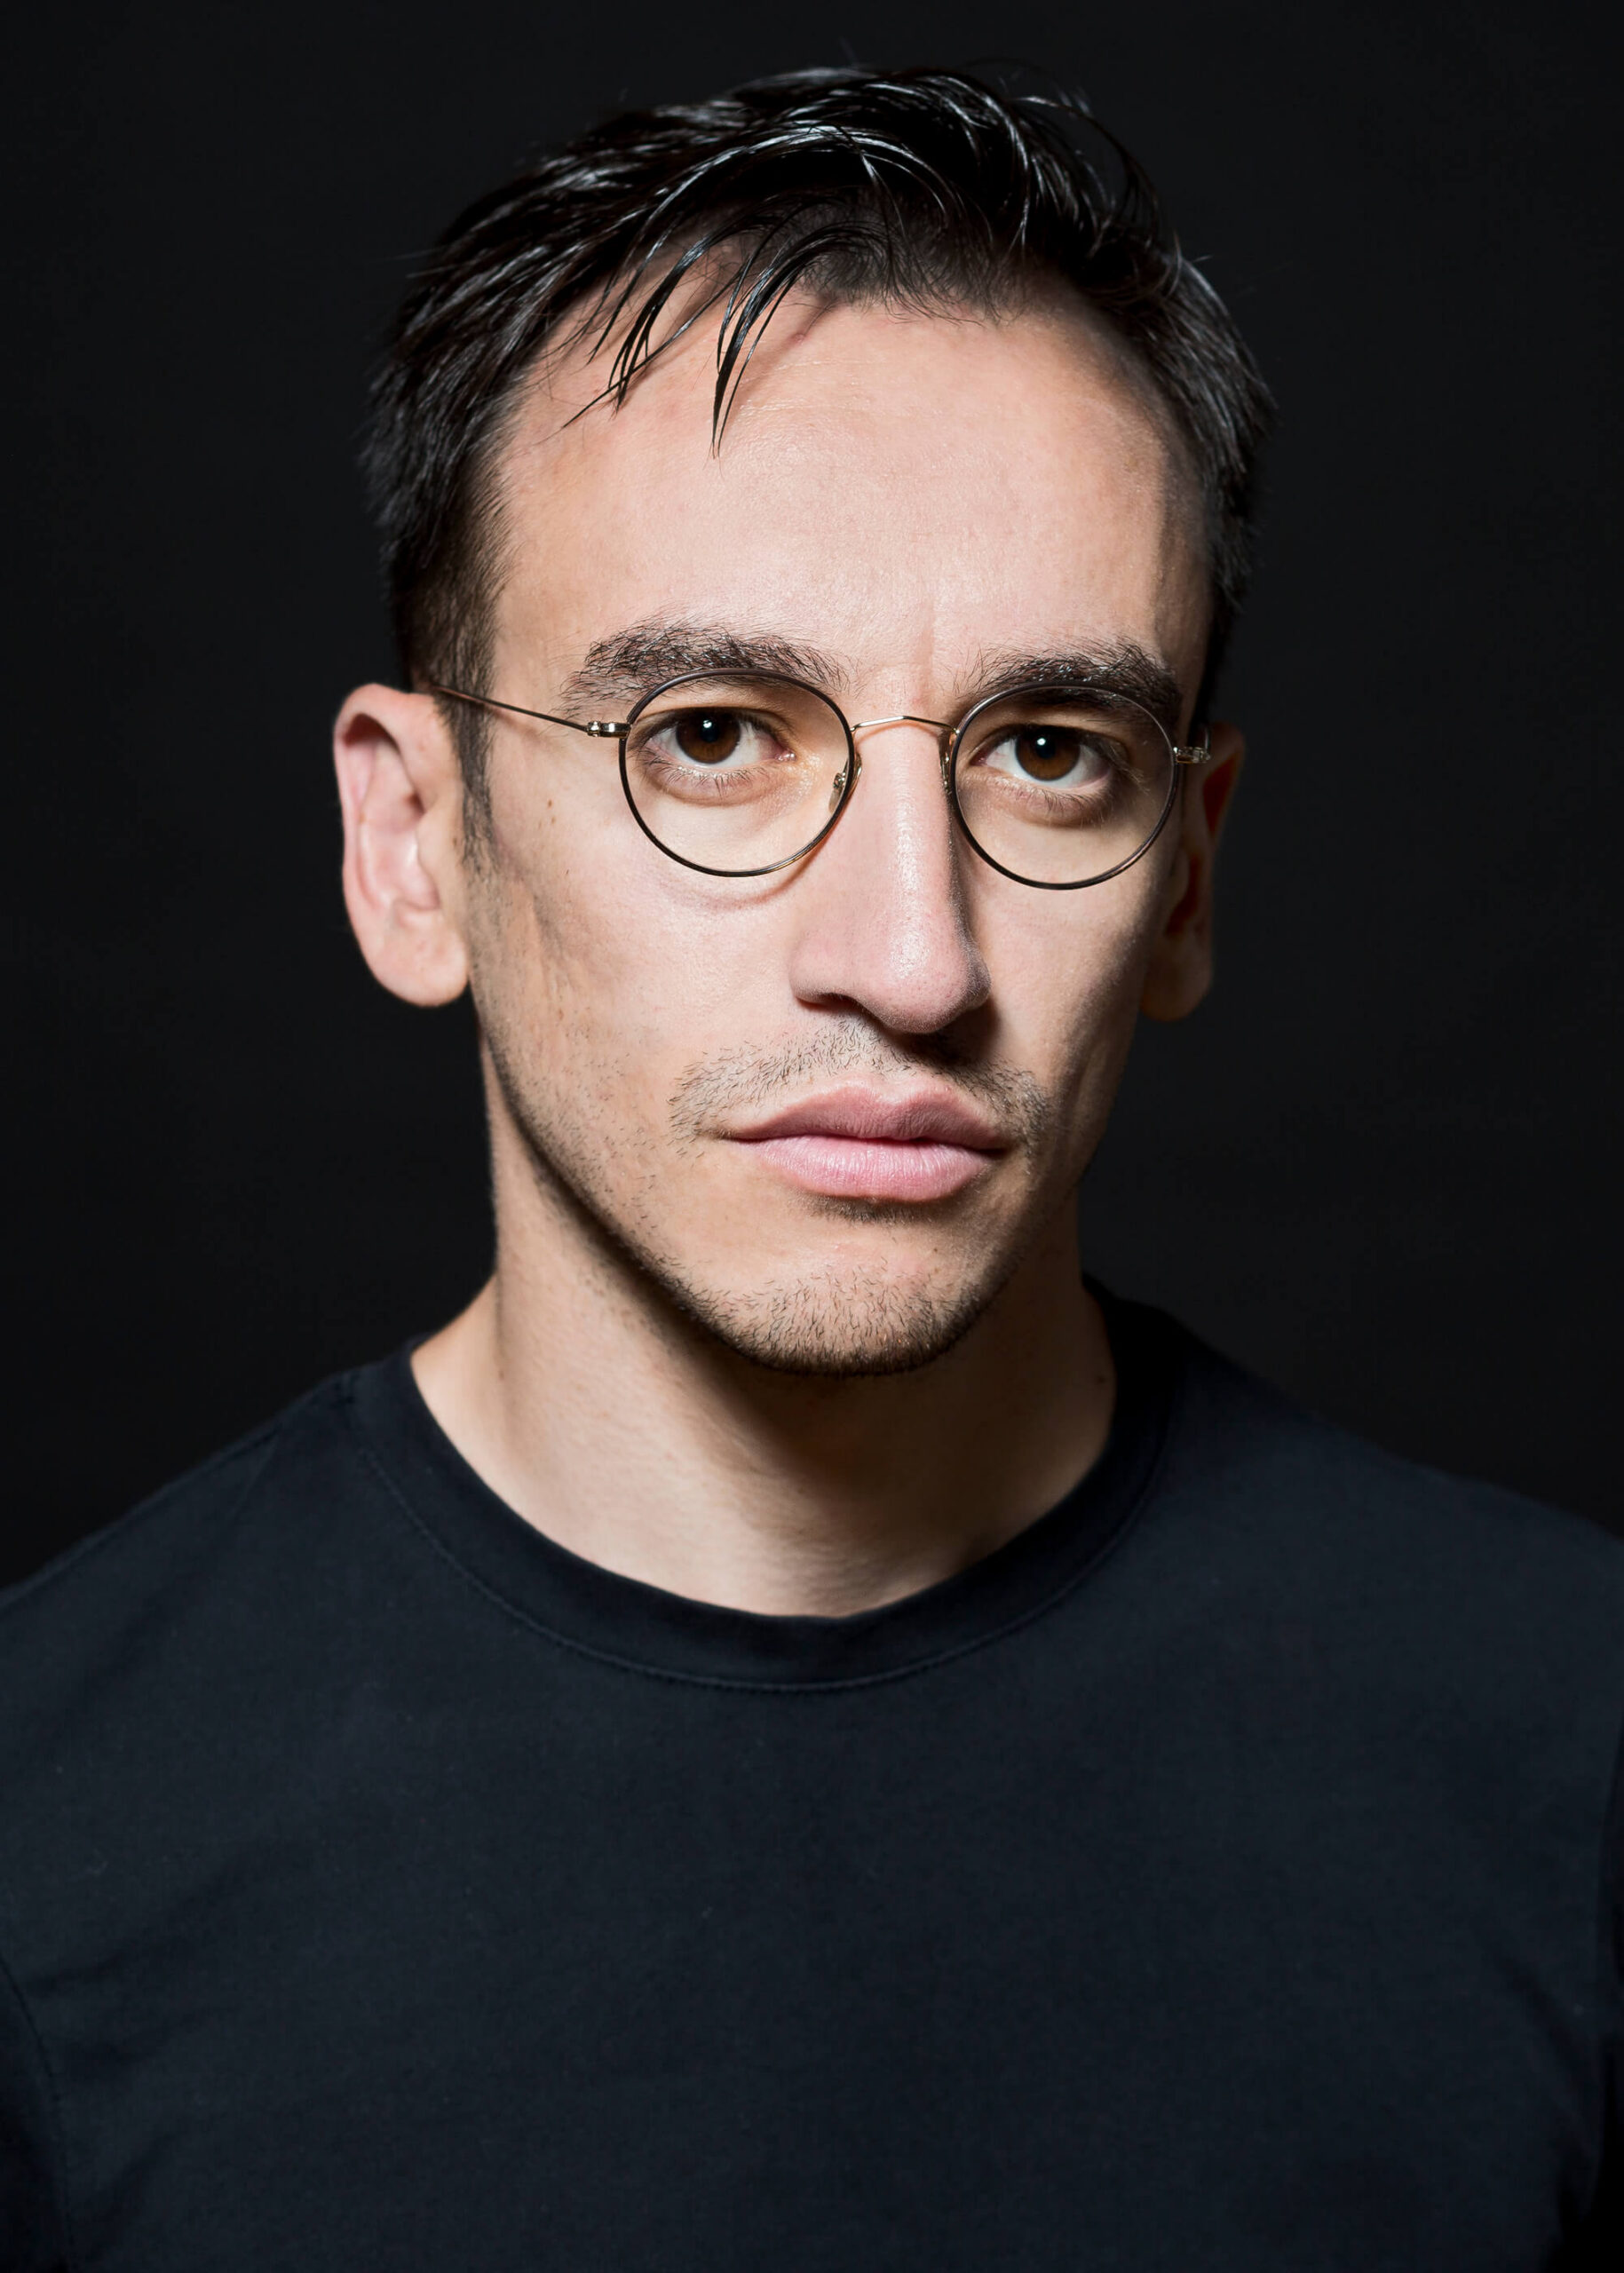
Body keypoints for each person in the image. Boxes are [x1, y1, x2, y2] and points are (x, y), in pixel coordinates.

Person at [1, 64, 1618, 2269]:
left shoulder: (1570, 1754)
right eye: (713, 739)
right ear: (416, 844)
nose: (911, 955)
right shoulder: (46, 1839)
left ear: (1187, 872)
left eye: (1050, 753)